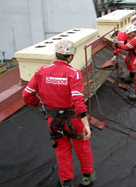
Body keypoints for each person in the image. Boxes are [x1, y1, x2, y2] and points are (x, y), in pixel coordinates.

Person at [23, 40, 96, 187]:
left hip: (53, 119)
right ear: (70, 56)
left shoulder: (41, 71)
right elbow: (77, 99)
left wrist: (37, 104)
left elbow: (27, 94)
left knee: (61, 150)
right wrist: (86, 124)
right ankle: (87, 176)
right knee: (82, 147)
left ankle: (66, 181)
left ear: (57, 54)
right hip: (74, 119)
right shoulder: (73, 74)